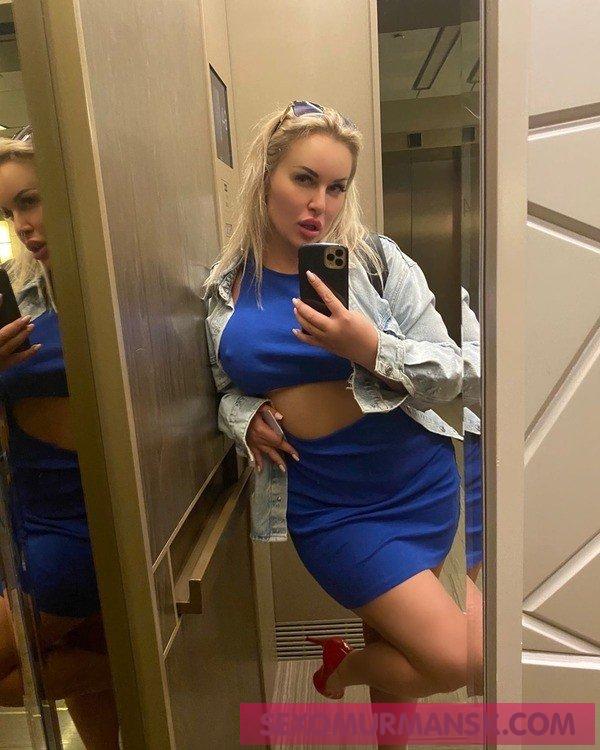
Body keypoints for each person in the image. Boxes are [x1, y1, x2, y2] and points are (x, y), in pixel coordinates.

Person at [203, 98, 483, 733]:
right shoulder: (225, 288)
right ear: (265, 176)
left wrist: (371, 346)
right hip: (331, 507)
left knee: (412, 645)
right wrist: (243, 415)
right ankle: (342, 671)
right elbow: (220, 389)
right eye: (304, 179)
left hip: (417, 481)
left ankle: (361, 693)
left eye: (336, 187)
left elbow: (459, 369)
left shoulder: (377, 263)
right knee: (458, 659)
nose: (319, 204)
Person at [0, 137, 119, 748]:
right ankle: (123, 660)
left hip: (79, 532)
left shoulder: (117, 293)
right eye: (9, 212)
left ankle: (134, 659)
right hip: (25, 516)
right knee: (94, 704)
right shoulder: (28, 306)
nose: (23, 225)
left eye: (31, 201)